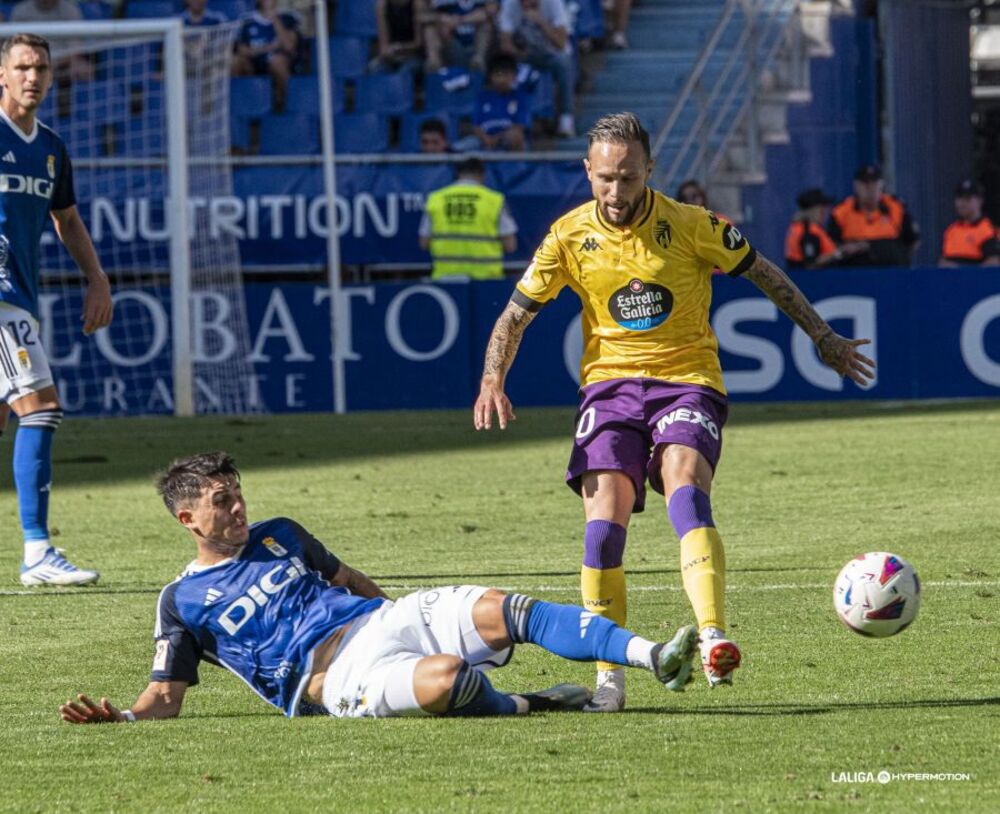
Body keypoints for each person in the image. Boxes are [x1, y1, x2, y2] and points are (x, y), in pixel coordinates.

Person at [472, 112, 875, 712]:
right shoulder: (566, 236)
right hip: (609, 388)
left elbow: (764, 272)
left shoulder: (691, 225)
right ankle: (611, 675)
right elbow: (515, 313)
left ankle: (712, 633)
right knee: (604, 518)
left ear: (649, 171)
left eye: (628, 178)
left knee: (684, 480)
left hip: (687, 380)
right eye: (605, 178)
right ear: (588, 172)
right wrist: (491, 377)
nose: (615, 192)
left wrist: (822, 336)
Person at [59, 451, 701, 723]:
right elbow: (165, 695)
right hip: (333, 682)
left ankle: (655, 656)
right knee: (447, 679)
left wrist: (403, 612)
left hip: (382, 620)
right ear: (187, 519)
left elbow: (347, 579)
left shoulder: (280, 532)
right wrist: (121, 716)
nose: (238, 509)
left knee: (509, 609)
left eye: (238, 494)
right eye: (221, 502)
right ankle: (531, 703)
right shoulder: (181, 601)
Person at [0, 34, 113, 586]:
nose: (32, 77)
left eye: (41, 67)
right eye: (22, 66)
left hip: (22, 292)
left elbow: (65, 220)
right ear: (2, 73)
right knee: (40, 407)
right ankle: (38, 552)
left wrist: (96, 278)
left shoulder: (49, 147)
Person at [419, 156, 518, 279]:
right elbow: (510, 245)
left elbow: (424, 243)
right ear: (482, 175)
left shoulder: (436, 199)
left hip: (446, 277)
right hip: (486, 278)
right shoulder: (494, 200)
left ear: (457, 173)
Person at [498, 0, 575, 138]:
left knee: (563, 62)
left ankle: (565, 117)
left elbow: (561, 43)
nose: (527, 4)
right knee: (506, 66)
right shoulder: (509, 4)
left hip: (551, 53)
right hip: (523, 54)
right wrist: (519, 53)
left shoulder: (554, 3)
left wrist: (541, 21)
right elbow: (505, 45)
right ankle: (515, 119)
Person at [828, 164, 919, 267]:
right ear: (856, 186)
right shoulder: (841, 211)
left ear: (881, 185)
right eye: (865, 183)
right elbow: (832, 248)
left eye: (874, 183)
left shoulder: (896, 207)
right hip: (854, 273)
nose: (870, 188)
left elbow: (912, 242)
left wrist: (876, 248)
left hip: (890, 271)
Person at [232, 0, 302, 113]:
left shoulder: (287, 17)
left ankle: (283, 105)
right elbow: (242, 50)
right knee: (234, 62)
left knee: (276, 61)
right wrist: (269, 47)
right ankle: (244, 105)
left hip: (280, 65)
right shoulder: (247, 20)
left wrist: (275, 20)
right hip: (253, 65)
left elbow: (289, 46)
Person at [785, 187, 868, 269]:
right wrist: (840, 253)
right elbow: (811, 263)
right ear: (811, 210)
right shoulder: (808, 231)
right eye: (821, 209)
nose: (824, 213)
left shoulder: (802, 227)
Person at [10, 0, 92, 83]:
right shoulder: (21, 11)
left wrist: (53, 63)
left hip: (64, 64)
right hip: (30, 62)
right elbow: (16, 47)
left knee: (83, 69)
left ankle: (66, 95)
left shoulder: (70, 10)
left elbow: (76, 49)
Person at [468, 52, 530, 151]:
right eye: (498, 74)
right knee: (461, 146)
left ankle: (516, 166)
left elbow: (520, 126)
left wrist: (497, 138)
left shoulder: (519, 97)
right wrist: (486, 139)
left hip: (505, 139)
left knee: (515, 137)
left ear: (514, 76)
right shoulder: (482, 97)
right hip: (483, 140)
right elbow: (476, 126)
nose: (502, 79)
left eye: (506, 74)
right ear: (491, 76)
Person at [423, 0, 497, 74]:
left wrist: (462, 20)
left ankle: (478, 61)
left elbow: (491, 11)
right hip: (452, 44)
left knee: (486, 24)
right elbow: (425, 16)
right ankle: (434, 65)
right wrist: (443, 19)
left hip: (477, 46)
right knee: (430, 28)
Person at [939, 179, 999, 267]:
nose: (962, 203)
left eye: (968, 198)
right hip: (951, 279)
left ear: (980, 201)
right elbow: (943, 262)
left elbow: (993, 263)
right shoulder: (951, 230)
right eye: (959, 198)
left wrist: (962, 272)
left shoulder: (988, 230)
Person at [372, 0, 426, 73]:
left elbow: (418, 43)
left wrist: (400, 47)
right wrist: (387, 52)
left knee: (405, 71)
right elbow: (383, 46)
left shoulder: (417, 4)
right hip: (393, 55)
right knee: (374, 69)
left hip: (413, 54)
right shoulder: (381, 5)